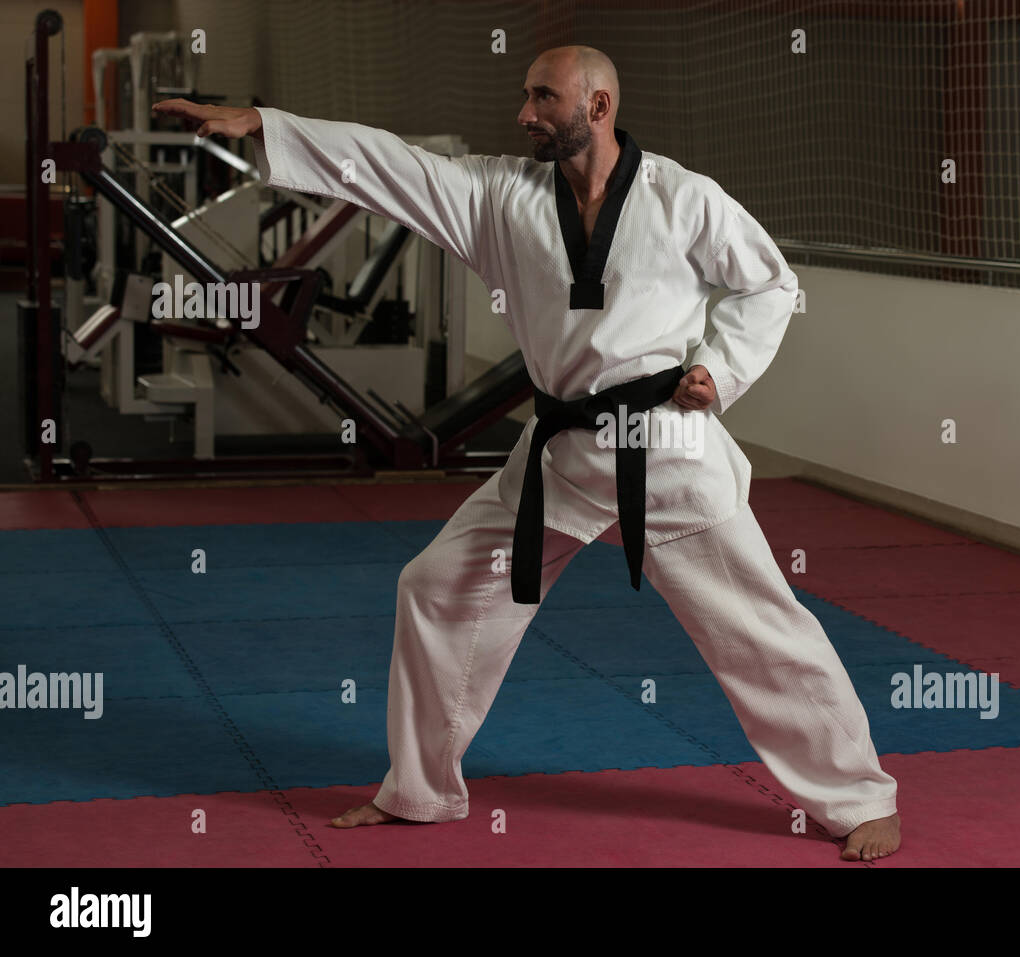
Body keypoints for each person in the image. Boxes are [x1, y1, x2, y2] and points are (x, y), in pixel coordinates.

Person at [152, 44, 901, 861]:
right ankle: (421, 788)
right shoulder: (501, 196)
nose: (525, 114)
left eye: (544, 97)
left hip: (668, 455)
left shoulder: (684, 199)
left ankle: (861, 797)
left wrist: (716, 371)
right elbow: (388, 164)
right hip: (559, 457)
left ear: (600, 106)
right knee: (438, 587)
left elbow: (770, 283)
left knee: (762, 628)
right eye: (526, 95)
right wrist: (267, 123)